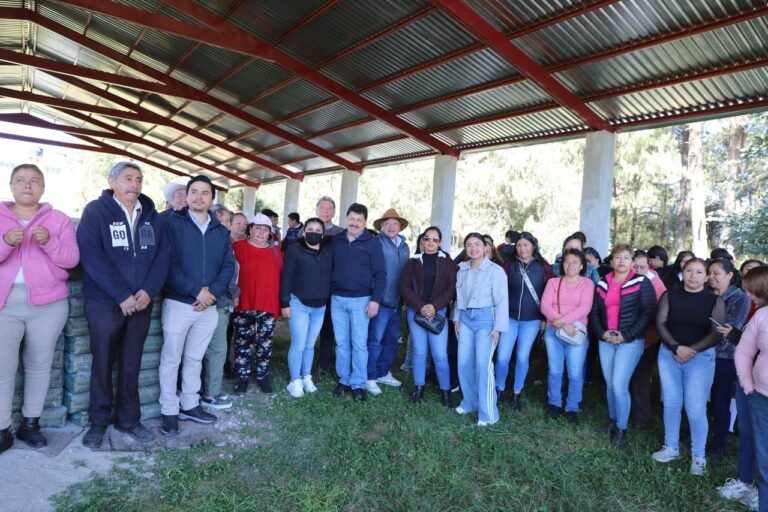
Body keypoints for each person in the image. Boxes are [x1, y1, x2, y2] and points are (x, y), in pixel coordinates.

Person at [77, 162, 170, 448]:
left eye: (139, 179)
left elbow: (163, 256)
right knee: (103, 363)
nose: (135, 184)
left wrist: (148, 291)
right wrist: (121, 295)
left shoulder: (152, 216)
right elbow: (91, 256)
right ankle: (98, 422)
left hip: (142, 302)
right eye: (128, 178)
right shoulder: (96, 211)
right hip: (105, 302)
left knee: (132, 363)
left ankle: (129, 419)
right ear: (112, 181)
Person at [0, 164, 79, 454]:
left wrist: (50, 242)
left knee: (39, 363)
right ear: (10, 185)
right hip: (4, 304)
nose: (27, 185)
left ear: (43, 187)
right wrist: (5, 243)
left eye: (34, 180)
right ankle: (1, 428)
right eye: (20, 180)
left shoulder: (57, 220)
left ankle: (31, 424)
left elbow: (71, 259)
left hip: (48, 304)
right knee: (2, 368)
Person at [160, 175, 235, 436]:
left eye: (205, 193)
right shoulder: (171, 224)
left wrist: (212, 293)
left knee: (194, 358)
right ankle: (169, 410)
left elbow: (228, 266)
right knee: (172, 358)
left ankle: (190, 404)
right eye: (194, 192)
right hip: (180, 302)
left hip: (209, 306)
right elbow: (167, 264)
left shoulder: (220, 231)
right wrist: (196, 291)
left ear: (212, 199)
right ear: (187, 195)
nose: (199, 197)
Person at [652, 258, 726, 475]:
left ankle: (698, 456)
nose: (693, 275)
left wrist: (690, 350)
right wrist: (676, 348)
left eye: (699, 272)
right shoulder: (670, 295)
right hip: (669, 355)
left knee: (695, 408)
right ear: (682, 272)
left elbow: (716, 334)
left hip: (700, 358)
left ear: (706, 276)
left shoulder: (715, 301)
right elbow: (660, 323)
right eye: (689, 270)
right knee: (672, 403)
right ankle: (671, 447)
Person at [590, 244, 656, 449]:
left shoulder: (641, 282)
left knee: (619, 385)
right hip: (606, 339)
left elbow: (648, 312)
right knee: (610, 385)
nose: (621, 261)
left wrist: (626, 335)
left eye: (626, 258)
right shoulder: (602, 282)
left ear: (632, 261)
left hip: (629, 341)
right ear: (611, 261)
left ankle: (621, 428)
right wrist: (602, 333)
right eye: (617, 257)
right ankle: (612, 419)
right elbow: (593, 312)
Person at [330, 203, 386, 401]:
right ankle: (344, 379)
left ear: (365, 223)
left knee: (359, 344)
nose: (354, 223)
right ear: (346, 219)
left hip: (361, 301)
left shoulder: (372, 243)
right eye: (352, 219)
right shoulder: (335, 241)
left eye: (359, 220)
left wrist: (375, 301)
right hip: (337, 299)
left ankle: (358, 383)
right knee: (342, 343)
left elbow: (381, 275)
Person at [453, 233, 508, 426]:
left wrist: (498, 328)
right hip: (466, 318)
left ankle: (488, 414)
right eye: (469, 245)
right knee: (464, 363)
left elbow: (502, 301)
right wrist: (457, 319)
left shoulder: (496, 270)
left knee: (484, 366)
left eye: (477, 244)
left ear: (485, 248)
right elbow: (459, 298)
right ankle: (470, 402)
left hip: (486, 320)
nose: (473, 248)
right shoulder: (462, 270)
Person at [399, 226, 457, 405]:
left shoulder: (448, 263)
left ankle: (445, 391)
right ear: (421, 241)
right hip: (416, 312)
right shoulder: (413, 262)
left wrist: (434, 306)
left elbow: (451, 289)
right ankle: (419, 387)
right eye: (427, 238)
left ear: (440, 243)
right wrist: (421, 306)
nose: (430, 242)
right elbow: (404, 287)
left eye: (435, 239)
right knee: (419, 352)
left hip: (438, 313)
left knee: (440, 354)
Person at [498, 232, 552, 410]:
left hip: (532, 320)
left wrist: (545, 319)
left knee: (522, 357)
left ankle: (516, 392)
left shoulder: (544, 267)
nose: (522, 248)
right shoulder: (508, 265)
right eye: (519, 245)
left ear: (533, 246)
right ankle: (499, 388)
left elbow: (548, 296)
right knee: (503, 356)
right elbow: (499, 292)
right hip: (509, 318)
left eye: (526, 245)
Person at [539, 248, 594, 423]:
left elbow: (584, 308)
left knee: (575, 372)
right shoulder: (554, 282)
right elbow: (545, 305)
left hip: (576, 332)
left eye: (575, 262)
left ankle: (572, 407)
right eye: (567, 261)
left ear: (581, 266)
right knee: (555, 370)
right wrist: (560, 322)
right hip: (553, 332)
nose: (570, 265)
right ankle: (554, 403)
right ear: (562, 264)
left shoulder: (587, 284)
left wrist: (565, 322)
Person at [280, 217, 332, 398]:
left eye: (318, 230)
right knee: (299, 344)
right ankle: (294, 381)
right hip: (298, 302)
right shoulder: (295, 249)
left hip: (320, 305)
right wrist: (285, 302)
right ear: (304, 231)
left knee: (310, 345)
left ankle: (306, 376)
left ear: (323, 233)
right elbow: (286, 277)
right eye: (310, 229)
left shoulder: (327, 251)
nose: (314, 233)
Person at [232, 213, 283, 395]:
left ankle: (263, 377)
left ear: (270, 233)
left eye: (265, 229)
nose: (261, 232)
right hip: (243, 302)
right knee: (242, 341)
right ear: (250, 229)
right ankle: (242, 378)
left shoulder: (276, 252)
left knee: (265, 343)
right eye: (257, 228)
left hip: (267, 304)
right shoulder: (236, 247)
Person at [707, 258, 750, 457]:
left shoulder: (740, 297)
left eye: (716, 273)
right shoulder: (706, 294)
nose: (711, 277)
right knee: (701, 397)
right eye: (710, 273)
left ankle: (720, 441)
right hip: (704, 352)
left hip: (725, 356)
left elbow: (729, 329)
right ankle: (696, 431)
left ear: (730, 275)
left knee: (720, 400)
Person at [365, 208, 410, 395]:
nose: (391, 227)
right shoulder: (376, 243)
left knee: (391, 341)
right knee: (375, 341)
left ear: (400, 227)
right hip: (381, 301)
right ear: (382, 227)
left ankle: (383, 372)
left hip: (397, 302)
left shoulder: (405, 246)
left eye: (395, 224)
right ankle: (369, 376)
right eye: (387, 224)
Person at [735, 265, 768, 512]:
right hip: (761, 397)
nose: (748, 296)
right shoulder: (762, 315)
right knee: (766, 461)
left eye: (751, 291)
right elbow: (744, 352)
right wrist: (748, 385)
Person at [200, 207, 239, 411]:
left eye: (227, 220)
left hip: (221, 303)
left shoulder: (226, 244)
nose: (224, 223)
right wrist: (234, 293)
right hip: (214, 303)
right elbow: (223, 275)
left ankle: (207, 390)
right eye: (219, 219)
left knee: (214, 348)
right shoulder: (212, 244)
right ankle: (210, 393)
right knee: (216, 349)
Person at [629, 250, 667, 430]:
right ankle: (625, 411)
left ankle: (641, 417)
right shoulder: (625, 279)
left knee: (640, 378)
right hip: (626, 337)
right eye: (634, 266)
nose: (637, 269)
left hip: (648, 339)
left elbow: (660, 316)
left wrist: (648, 341)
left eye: (641, 267)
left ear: (648, 267)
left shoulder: (656, 284)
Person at [315, 196, 343, 376]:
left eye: (329, 208)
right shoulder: (308, 229)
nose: (325, 210)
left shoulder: (341, 233)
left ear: (334, 211)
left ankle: (324, 363)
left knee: (329, 327)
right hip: (312, 287)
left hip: (334, 288)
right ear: (316, 210)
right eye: (322, 207)